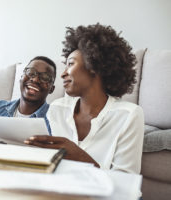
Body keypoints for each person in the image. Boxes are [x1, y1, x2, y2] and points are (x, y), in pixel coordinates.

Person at [25, 24, 144, 174]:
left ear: (93, 65)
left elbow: (126, 186)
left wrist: (80, 157)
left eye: (70, 64)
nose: (63, 74)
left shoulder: (129, 115)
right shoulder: (57, 108)